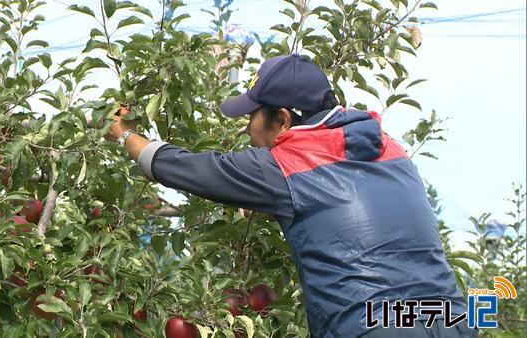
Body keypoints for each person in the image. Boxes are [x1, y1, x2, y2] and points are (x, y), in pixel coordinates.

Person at [104, 54, 477, 338]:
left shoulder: (284, 165)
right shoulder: (391, 149)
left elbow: (184, 168)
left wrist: (124, 134)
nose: (248, 129)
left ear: (282, 120)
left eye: (252, 117)